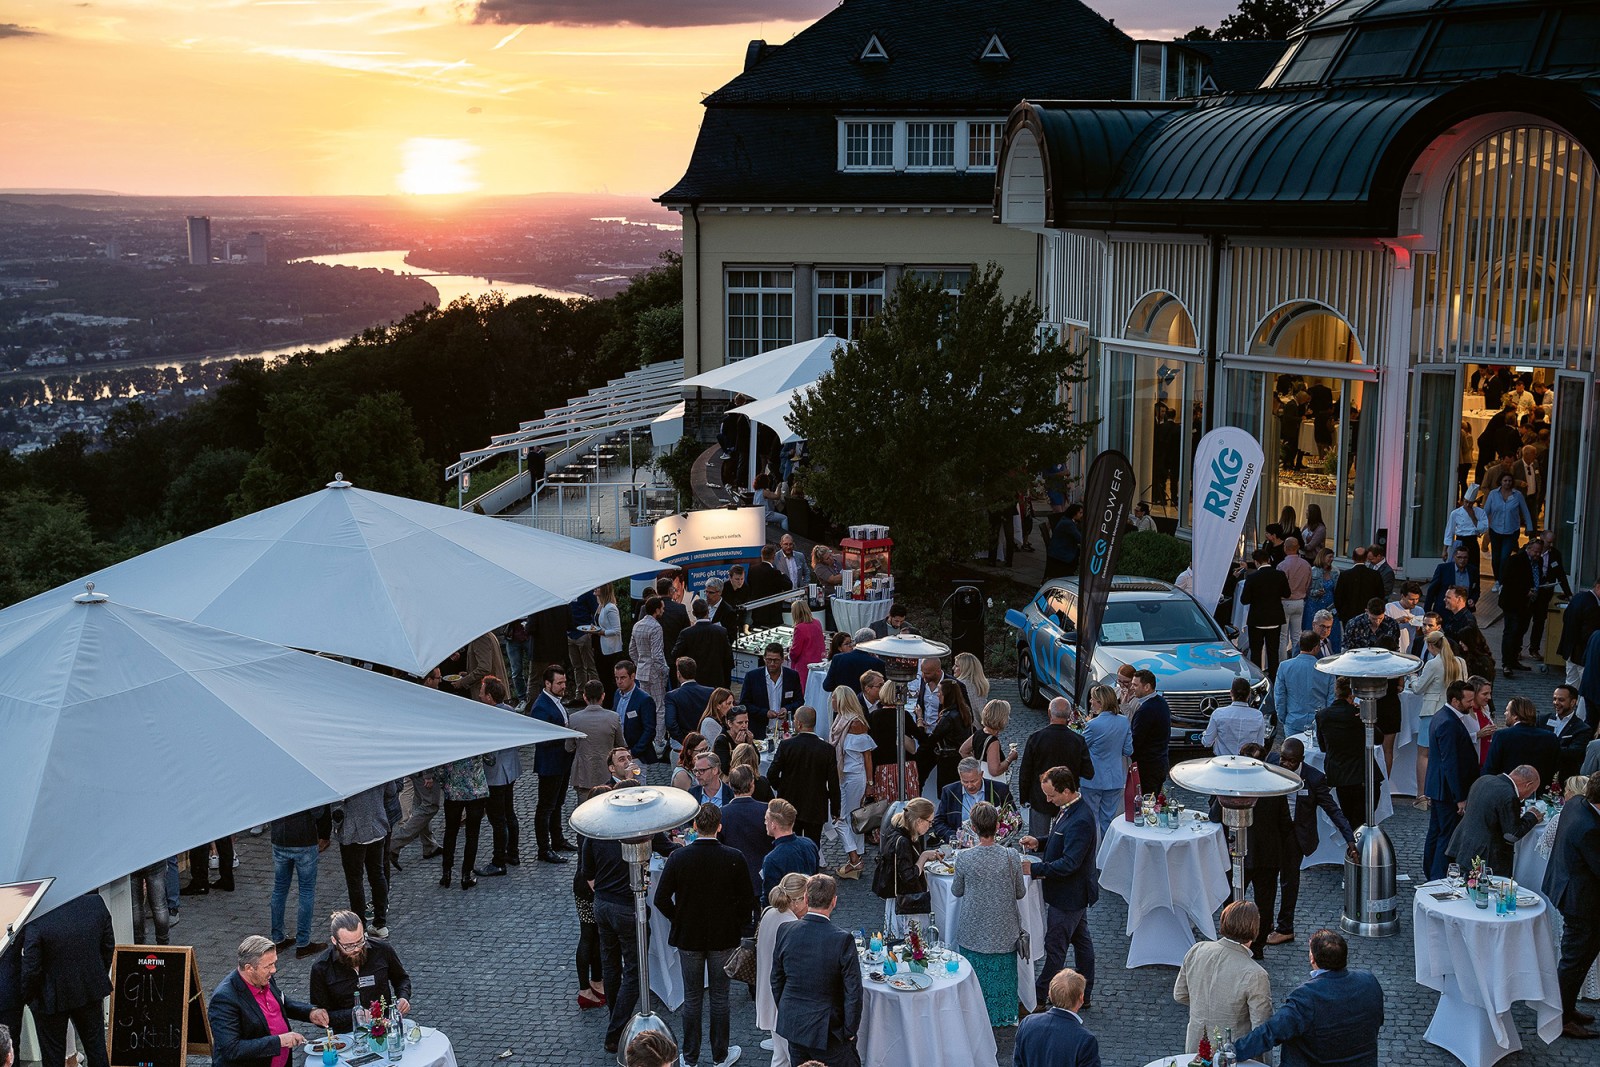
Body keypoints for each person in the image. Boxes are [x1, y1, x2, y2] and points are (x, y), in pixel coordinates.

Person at [655, 803, 753, 1067]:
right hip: (723, 937)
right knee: (720, 997)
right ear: (719, 827)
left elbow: (661, 898)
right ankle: (720, 1055)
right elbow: (747, 901)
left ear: (695, 826)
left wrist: (679, 918)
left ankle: (690, 1058)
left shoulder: (678, 858)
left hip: (689, 937)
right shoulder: (734, 857)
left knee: (692, 998)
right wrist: (735, 923)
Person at [579, 812, 675, 1056]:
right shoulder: (643, 828)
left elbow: (587, 872)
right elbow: (669, 850)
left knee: (611, 966)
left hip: (603, 905)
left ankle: (616, 1020)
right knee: (635, 970)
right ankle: (615, 1032)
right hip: (627, 908)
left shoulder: (597, 832)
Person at [1233, 930, 1384, 1067]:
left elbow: (1270, 1033)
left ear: (1312, 958)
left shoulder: (1306, 997)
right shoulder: (1369, 982)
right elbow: (1377, 1021)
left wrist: (1232, 1052)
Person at [1020, 766, 1098, 1010]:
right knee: (1081, 941)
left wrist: (1034, 869)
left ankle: (1038, 997)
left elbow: (1069, 863)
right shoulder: (1071, 810)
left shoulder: (1081, 819)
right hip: (1072, 893)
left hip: (1069, 895)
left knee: (1056, 947)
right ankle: (1085, 993)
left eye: (1051, 795)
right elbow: (1059, 838)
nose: (1047, 800)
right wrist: (1040, 842)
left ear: (1066, 791)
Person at [1266, 739, 1354, 948]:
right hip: (1273, 830)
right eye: (1283, 759)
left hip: (1295, 834)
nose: (1286, 764)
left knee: (1289, 881)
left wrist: (1350, 839)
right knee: (1267, 877)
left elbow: (1333, 809)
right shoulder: (1272, 765)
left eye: (1291, 761)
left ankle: (1285, 928)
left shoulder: (1314, 778)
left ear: (1301, 760)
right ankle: (1266, 922)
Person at [771, 875, 861, 1067]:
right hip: (829, 1032)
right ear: (834, 901)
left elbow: (776, 979)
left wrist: (787, 1009)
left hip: (795, 1025)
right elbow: (853, 991)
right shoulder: (842, 939)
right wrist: (850, 1031)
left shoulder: (785, 930)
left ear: (806, 898)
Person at [950, 801, 1027, 1026]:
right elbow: (1020, 893)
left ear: (973, 828)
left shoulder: (964, 858)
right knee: (1004, 977)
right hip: (1004, 930)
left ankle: (974, 1014)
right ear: (997, 826)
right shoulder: (1011, 856)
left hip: (973, 930)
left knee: (974, 976)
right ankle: (1003, 1015)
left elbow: (956, 891)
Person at [20, 892, 114, 1067]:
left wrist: (29, 996)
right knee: (97, 1048)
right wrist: (96, 975)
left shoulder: (37, 916)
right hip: (89, 989)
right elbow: (108, 945)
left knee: (53, 1057)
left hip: (49, 997)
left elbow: (31, 966)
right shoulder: (95, 903)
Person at [209, 936, 330, 1067]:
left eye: (274, 963)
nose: (274, 970)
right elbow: (231, 1049)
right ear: (249, 968)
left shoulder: (264, 978)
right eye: (268, 966)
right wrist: (279, 1041)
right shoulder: (224, 999)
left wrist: (310, 1012)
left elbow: (281, 1003)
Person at [1543, 774, 1600, 1039]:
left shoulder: (1577, 803)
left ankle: (1567, 1008)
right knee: (1574, 961)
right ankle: (1561, 1019)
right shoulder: (1589, 828)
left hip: (1571, 891)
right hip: (1581, 903)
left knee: (1581, 958)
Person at [1173, 901, 1272, 1053]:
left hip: (1196, 1047)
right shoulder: (1256, 974)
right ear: (1255, 929)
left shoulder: (1197, 950)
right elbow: (1261, 1026)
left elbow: (1180, 995)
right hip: (1233, 1053)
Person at [308, 912, 411, 1032]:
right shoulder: (321, 968)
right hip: (347, 1034)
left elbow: (401, 979)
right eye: (349, 946)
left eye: (360, 941)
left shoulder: (382, 950)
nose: (356, 949)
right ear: (334, 941)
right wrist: (352, 1015)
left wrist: (403, 997)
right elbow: (320, 1016)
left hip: (384, 1027)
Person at [1424, 680, 1483, 881]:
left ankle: (1430, 872)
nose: (1472, 705)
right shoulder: (1449, 722)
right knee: (1446, 835)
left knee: (1436, 832)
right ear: (1455, 700)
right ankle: (1438, 877)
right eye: (1468, 701)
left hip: (1440, 787)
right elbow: (1450, 762)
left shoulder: (1442, 716)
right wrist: (1460, 797)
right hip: (1448, 791)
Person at [1447, 763, 1544, 873]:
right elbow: (1512, 835)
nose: (1528, 796)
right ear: (1528, 785)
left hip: (1463, 845)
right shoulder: (1509, 794)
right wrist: (1532, 816)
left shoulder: (1483, 780)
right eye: (1531, 792)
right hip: (1485, 855)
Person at [390, 670, 444, 866]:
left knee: (421, 803)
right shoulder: (423, 704)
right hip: (423, 767)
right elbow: (425, 740)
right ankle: (394, 844)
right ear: (428, 680)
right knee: (430, 806)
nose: (441, 680)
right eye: (437, 678)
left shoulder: (411, 699)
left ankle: (429, 845)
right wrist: (429, 773)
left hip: (414, 764)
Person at [1316, 677, 1384, 830]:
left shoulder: (1322, 715)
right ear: (1352, 694)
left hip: (1340, 776)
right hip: (1363, 775)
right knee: (1363, 821)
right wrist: (1367, 716)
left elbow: (1323, 747)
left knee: (1349, 820)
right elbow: (1378, 739)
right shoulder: (1358, 715)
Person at [756, 874, 809, 1067]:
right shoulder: (792, 925)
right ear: (798, 900)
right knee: (792, 1057)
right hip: (784, 1001)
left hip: (768, 994)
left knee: (780, 1057)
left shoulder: (770, 913)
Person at [1408, 631, 1464, 809]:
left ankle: (1422, 796)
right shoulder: (1460, 662)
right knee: (1447, 753)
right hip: (1453, 712)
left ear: (1431, 646)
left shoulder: (1432, 664)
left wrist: (1412, 677)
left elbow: (1418, 688)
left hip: (1431, 712)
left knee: (1424, 754)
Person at [768, 706, 840, 844]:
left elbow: (772, 773)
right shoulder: (827, 749)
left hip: (790, 803)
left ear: (799, 723)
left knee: (790, 844)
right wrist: (835, 809)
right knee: (813, 845)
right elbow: (833, 783)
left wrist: (782, 788)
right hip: (815, 805)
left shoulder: (786, 745)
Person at [474, 676, 523, 876]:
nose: (479, 694)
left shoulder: (489, 716)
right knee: (509, 813)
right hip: (510, 770)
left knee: (498, 818)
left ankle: (498, 861)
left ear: (489, 697)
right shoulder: (510, 711)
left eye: (482, 691)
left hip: (496, 775)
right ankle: (513, 853)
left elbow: (490, 753)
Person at [333, 781, 394, 938]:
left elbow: (336, 802)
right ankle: (380, 923)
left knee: (355, 881)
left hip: (352, 831)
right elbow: (391, 791)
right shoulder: (378, 767)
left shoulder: (342, 771)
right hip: (377, 825)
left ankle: (361, 928)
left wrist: (337, 824)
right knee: (377, 875)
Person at [269, 805, 331, 958]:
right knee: (306, 891)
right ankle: (303, 942)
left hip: (279, 837)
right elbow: (318, 812)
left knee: (279, 889)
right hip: (304, 839)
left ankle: (278, 938)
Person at [529, 664, 576, 864]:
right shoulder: (541, 706)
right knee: (546, 807)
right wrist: (565, 734)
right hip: (550, 765)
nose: (563, 686)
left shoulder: (555, 701)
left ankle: (557, 840)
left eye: (564, 682)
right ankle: (544, 848)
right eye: (559, 683)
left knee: (557, 804)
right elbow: (541, 739)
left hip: (561, 763)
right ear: (547, 684)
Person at [827, 686, 876, 878]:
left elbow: (867, 757)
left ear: (841, 700)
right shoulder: (841, 720)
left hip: (854, 776)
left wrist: (870, 784)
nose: (831, 701)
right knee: (852, 817)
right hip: (843, 775)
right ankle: (856, 856)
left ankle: (855, 859)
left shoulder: (855, 723)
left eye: (834, 698)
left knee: (840, 818)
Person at [873, 798, 938, 935]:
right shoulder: (903, 841)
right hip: (906, 903)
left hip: (898, 899)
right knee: (911, 940)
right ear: (919, 821)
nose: (931, 826)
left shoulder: (898, 829)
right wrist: (924, 857)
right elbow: (909, 877)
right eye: (930, 822)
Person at [571, 785, 608, 1012]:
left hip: (584, 884)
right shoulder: (593, 828)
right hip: (589, 885)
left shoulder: (585, 823)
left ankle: (595, 981)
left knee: (592, 934)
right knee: (589, 935)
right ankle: (586, 987)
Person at [1012, 969, 1098, 1067]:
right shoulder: (1085, 1039)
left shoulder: (1027, 1023)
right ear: (1081, 998)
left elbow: (1018, 1062)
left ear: (1050, 994)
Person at [1077, 685, 1130, 833]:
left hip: (1093, 779)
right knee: (1108, 820)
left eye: (1093, 699)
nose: (1090, 702)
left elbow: (1081, 747)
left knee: (1091, 818)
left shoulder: (1093, 724)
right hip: (1115, 779)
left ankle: (1093, 847)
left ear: (1100, 702)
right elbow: (1128, 750)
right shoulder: (1124, 721)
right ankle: (1106, 846)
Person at [720, 765, 772, 908]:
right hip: (762, 877)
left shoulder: (722, 814)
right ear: (752, 784)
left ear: (730, 785)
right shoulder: (767, 810)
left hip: (734, 879)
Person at [1483, 696, 1560, 789]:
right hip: (1540, 792)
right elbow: (1555, 770)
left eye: (1507, 711)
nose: (1504, 713)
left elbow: (1489, 769)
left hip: (1507, 791)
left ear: (1515, 716)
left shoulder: (1501, 736)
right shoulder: (1550, 737)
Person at [864, 674, 920, 800]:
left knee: (886, 807)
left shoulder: (874, 716)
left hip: (882, 768)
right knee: (907, 806)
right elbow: (922, 738)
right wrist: (920, 720)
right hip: (905, 767)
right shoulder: (904, 715)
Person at [1240, 547, 1291, 680]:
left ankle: (1258, 678)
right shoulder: (1280, 575)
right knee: (1273, 652)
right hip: (1275, 618)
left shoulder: (1252, 577)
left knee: (1256, 652)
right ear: (1268, 560)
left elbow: (1244, 600)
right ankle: (1274, 679)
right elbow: (1287, 593)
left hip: (1257, 619)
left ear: (1256, 562)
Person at [569, 678, 626, 794]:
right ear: (603, 696)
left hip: (583, 774)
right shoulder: (614, 717)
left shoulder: (573, 719)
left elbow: (569, 747)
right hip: (607, 773)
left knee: (584, 803)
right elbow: (621, 744)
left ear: (584, 696)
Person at [934, 757, 1012, 840]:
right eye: (965, 781)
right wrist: (954, 837)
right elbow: (939, 821)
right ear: (960, 777)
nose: (969, 786)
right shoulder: (949, 792)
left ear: (981, 774)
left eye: (973, 781)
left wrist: (999, 835)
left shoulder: (1000, 789)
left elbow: (1013, 818)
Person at [628, 596, 670, 745]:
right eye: (662, 608)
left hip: (642, 671)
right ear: (656, 610)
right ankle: (658, 740)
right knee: (659, 707)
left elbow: (632, 650)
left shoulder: (637, 625)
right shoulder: (656, 627)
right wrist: (664, 671)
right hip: (654, 672)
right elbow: (657, 655)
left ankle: (646, 737)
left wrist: (639, 664)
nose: (663, 610)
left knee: (645, 706)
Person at [743, 642, 803, 741]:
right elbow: (745, 703)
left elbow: (800, 701)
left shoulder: (792, 676)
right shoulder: (752, 677)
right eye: (769, 660)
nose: (772, 663)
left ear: (782, 660)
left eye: (776, 660)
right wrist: (765, 713)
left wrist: (787, 709)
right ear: (764, 658)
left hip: (785, 731)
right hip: (759, 731)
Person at [761, 799, 820, 898]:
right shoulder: (809, 844)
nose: (765, 822)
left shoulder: (772, 859)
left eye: (766, 819)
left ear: (773, 825)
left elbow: (770, 896)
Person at [1484, 471, 1533, 587]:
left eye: (1510, 481)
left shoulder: (1518, 495)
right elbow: (1485, 511)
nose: (1507, 483)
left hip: (1511, 531)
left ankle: (1502, 582)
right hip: (1495, 530)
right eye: (1505, 480)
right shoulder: (1493, 494)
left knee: (1504, 558)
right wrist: (1480, 527)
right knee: (1496, 558)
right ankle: (1497, 580)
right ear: (1500, 481)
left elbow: (1525, 511)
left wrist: (1529, 527)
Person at [673, 599, 736, 689]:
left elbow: (675, 654)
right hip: (716, 681)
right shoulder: (721, 631)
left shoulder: (686, 633)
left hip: (695, 682)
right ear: (708, 611)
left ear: (693, 613)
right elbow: (728, 658)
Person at [906, 657, 948, 789]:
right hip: (927, 737)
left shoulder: (952, 684)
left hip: (944, 740)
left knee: (945, 782)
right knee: (917, 776)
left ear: (938, 671)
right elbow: (921, 703)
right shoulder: (924, 682)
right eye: (922, 672)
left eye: (927, 673)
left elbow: (964, 713)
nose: (923, 676)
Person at [1129, 669, 1172, 796]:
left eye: (1135, 685)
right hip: (1159, 763)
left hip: (1148, 767)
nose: (1132, 688)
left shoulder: (1146, 710)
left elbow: (1136, 740)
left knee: (1147, 801)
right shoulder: (1161, 702)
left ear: (1147, 687)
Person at [1500, 538, 1538, 676]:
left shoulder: (1537, 562)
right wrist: (1525, 591)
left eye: (1539, 552)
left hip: (1526, 604)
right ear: (1529, 548)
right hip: (1512, 603)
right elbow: (1508, 580)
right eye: (1535, 551)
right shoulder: (1516, 560)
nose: (1537, 554)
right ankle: (1506, 664)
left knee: (1520, 632)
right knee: (1511, 632)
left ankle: (1514, 659)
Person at [929, 678, 975, 791]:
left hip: (948, 761)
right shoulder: (964, 711)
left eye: (940, 692)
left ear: (947, 695)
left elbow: (933, 738)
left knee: (947, 792)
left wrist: (920, 721)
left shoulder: (948, 717)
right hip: (960, 759)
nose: (938, 695)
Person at [1204, 677, 1268, 757]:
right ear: (1249, 694)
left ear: (1231, 693)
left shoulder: (1218, 714)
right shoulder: (1258, 715)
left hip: (1222, 760)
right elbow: (1260, 745)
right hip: (1247, 761)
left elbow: (1207, 742)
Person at [609, 660, 659, 762]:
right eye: (616, 678)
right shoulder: (617, 694)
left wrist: (634, 752)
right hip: (619, 751)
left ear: (632, 676)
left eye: (623, 677)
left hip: (637, 756)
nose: (619, 681)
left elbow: (649, 730)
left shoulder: (644, 699)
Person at [1544, 684, 1595, 784]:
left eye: (1561, 700)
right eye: (1554, 699)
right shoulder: (1543, 719)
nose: (1556, 703)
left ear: (1573, 702)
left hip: (1564, 780)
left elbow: (1573, 753)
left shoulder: (1582, 728)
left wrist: (1546, 748)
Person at [665, 657, 715, 756]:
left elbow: (670, 723)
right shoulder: (710, 692)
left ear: (678, 674)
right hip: (705, 745)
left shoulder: (672, 696)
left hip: (681, 746)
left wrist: (685, 741)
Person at [1560, 578, 1600, 688]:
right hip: (1583, 653)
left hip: (1570, 648)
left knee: (1571, 683)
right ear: (1598, 587)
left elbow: (1565, 618)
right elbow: (1589, 634)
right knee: (1585, 687)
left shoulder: (1578, 597)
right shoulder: (1593, 606)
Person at [821, 630, 885, 696]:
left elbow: (827, 686)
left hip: (843, 699)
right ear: (872, 642)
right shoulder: (878, 663)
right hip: (864, 701)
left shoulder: (838, 658)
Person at [1426, 546, 1480, 615]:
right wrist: (1427, 611)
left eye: (1465, 557)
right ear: (1454, 557)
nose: (1462, 560)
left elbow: (1476, 590)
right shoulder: (1443, 569)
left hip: (1463, 612)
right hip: (1443, 611)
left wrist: (1472, 599)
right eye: (1459, 557)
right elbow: (1431, 590)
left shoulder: (1473, 571)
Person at [1045, 503, 1083, 581]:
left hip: (1061, 549)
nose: (1082, 515)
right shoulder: (1068, 524)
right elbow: (1080, 538)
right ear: (1074, 513)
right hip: (1061, 553)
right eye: (1080, 513)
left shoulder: (1066, 520)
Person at [712, 705, 756, 775]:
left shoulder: (746, 737)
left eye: (746, 722)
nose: (744, 726)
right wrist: (739, 748)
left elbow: (757, 762)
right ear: (730, 723)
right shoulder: (721, 741)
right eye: (740, 723)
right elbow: (726, 769)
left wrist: (750, 743)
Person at [789, 599, 824, 679]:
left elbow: (795, 652)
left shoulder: (799, 628)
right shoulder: (817, 622)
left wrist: (788, 656)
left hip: (804, 667)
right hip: (818, 664)